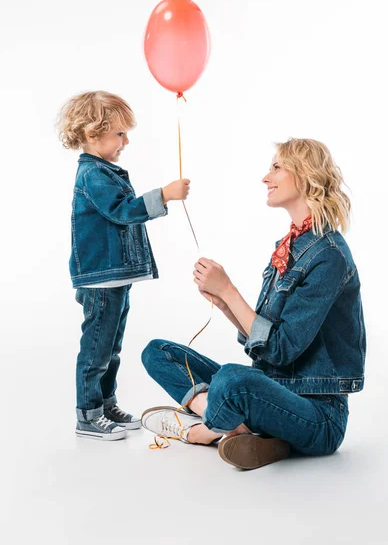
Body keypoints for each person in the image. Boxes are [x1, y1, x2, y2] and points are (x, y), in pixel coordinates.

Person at [141, 138, 366, 470]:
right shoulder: (292, 247)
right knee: (157, 352)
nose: (265, 177)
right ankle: (238, 428)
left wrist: (230, 290)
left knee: (233, 379)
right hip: (270, 391)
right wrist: (225, 305)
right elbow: (265, 337)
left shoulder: (329, 256)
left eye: (276, 167)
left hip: (318, 417)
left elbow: (281, 349)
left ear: (305, 175)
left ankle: (202, 431)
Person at [57, 90, 190, 440]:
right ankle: (88, 414)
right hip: (101, 280)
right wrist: (164, 194)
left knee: (111, 347)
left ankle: (104, 403)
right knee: (97, 349)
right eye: (119, 134)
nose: (125, 141)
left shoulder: (105, 171)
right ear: (91, 134)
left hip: (114, 278)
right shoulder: (93, 176)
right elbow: (123, 211)